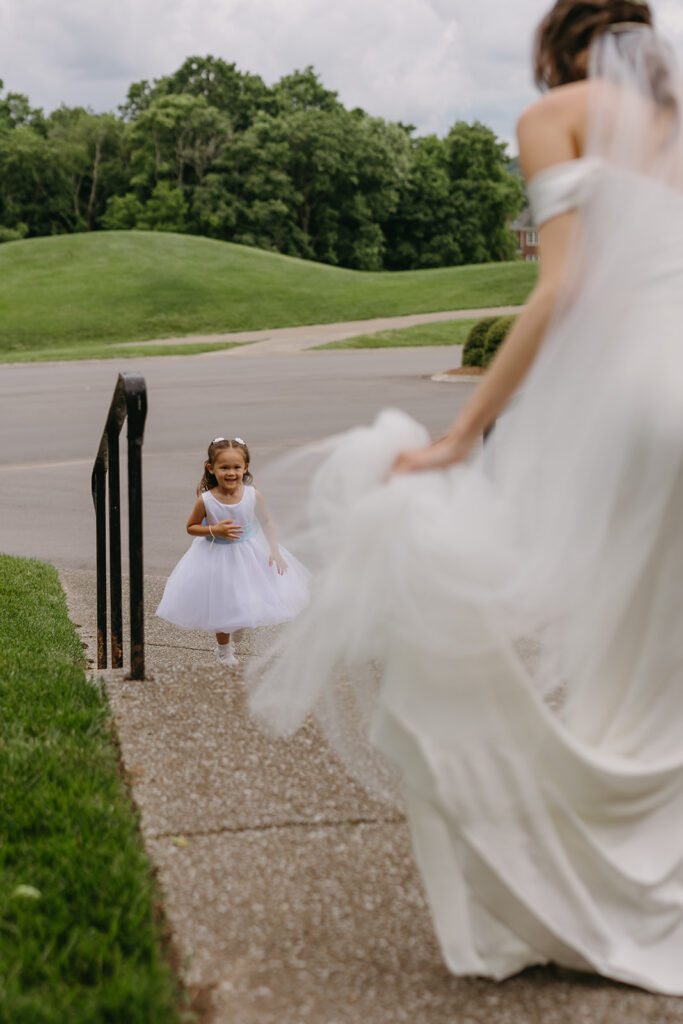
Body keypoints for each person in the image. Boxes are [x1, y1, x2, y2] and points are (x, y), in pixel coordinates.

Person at [248, 0, 683, 995]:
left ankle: (603, 888)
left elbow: (559, 288)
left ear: (554, 51)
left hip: (632, 405)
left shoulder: (552, 116)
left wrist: (461, 430)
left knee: (614, 655)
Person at [156, 437, 309, 666]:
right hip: (216, 556)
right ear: (211, 468)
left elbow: (267, 522)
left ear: (245, 468)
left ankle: (239, 623)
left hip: (250, 552)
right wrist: (213, 529)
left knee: (247, 596)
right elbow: (191, 527)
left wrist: (275, 550)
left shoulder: (252, 495)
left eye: (236, 467)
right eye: (224, 467)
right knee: (222, 604)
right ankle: (224, 651)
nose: (231, 473)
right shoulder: (206, 500)